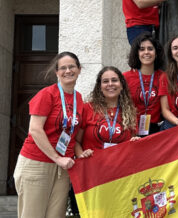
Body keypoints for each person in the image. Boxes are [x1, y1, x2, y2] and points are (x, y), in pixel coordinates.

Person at [13, 52, 84, 218]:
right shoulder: (47, 94)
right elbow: (35, 130)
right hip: (37, 163)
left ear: (79, 69)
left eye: (72, 66)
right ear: (56, 72)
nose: (68, 71)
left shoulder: (79, 99)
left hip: (63, 168)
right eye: (63, 68)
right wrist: (57, 157)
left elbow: (75, 135)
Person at [75, 66, 139, 158]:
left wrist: (136, 142)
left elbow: (131, 143)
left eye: (114, 80)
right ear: (100, 87)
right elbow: (76, 141)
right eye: (105, 81)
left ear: (121, 85)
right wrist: (81, 155)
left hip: (119, 168)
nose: (110, 84)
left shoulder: (130, 111)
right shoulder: (88, 108)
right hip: (92, 167)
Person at [123, 32, 165, 136]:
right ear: (137, 53)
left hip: (157, 130)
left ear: (156, 53)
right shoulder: (126, 77)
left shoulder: (164, 77)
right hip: (131, 131)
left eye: (150, 49)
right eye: (142, 49)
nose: (146, 52)